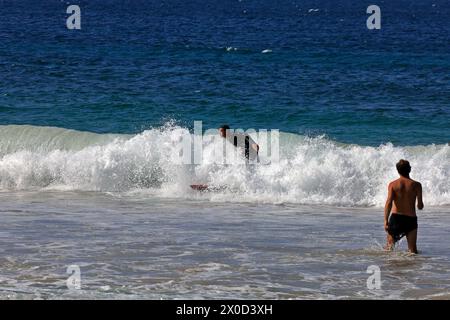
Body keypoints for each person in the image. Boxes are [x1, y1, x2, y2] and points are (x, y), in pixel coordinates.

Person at [384, 159, 424, 254]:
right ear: (409, 169)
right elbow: (420, 206)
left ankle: (390, 268)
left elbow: (389, 202)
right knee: (413, 251)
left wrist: (385, 220)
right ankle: (411, 268)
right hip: (411, 219)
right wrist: (419, 204)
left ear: (398, 170)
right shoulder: (417, 185)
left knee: (389, 249)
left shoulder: (393, 185)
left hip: (396, 218)